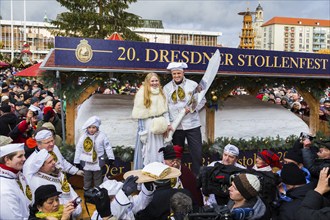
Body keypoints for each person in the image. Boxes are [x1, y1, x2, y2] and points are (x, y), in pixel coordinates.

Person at [164, 62, 206, 176]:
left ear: (183, 73)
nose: (176, 75)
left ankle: (197, 178)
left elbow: (202, 100)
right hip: (176, 126)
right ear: (171, 74)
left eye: (178, 73)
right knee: (177, 155)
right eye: (174, 74)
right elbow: (165, 108)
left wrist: (192, 108)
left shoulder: (193, 85)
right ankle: (178, 176)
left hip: (193, 125)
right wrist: (168, 124)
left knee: (197, 153)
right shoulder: (167, 88)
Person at [26, 149, 82, 218]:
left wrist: (76, 205)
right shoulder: (37, 182)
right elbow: (50, 205)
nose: (54, 162)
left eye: (53, 160)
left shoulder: (58, 173)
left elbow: (69, 189)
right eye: (50, 162)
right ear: (41, 167)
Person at [132, 72, 169, 169]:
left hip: (160, 125)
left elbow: (165, 111)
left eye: (156, 80)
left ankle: (160, 170)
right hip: (148, 125)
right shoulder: (142, 93)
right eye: (152, 81)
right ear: (148, 82)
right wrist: (142, 132)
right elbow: (140, 114)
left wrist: (167, 125)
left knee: (160, 149)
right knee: (148, 149)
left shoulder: (162, 92)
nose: (154, 83)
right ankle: (149, 170)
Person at [74, 115, 115, 190]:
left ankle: (97, 191)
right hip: (86, 161)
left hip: (98, 161)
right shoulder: (83, 137)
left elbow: (108, 147)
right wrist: (76, 161)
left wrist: (111, 157)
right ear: (87, 128)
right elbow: (79, 148)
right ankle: (87, 191)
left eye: (93, 127)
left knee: (98, 177)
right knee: (87, 177)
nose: (91, 130)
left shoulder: (102, 136)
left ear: (97, 127)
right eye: (89, 127)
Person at [91, 175, 155, 220]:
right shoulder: (98, 215)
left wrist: (147, 188)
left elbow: (140, 204)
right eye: (113, 197)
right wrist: (124, 193)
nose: (116, 197)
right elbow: (112, 212)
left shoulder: (124, 202)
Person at [0, 143, 31, 219]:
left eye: (24, 155)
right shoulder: (4, 189)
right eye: (20, 156)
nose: (24, 159)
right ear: (7, 160)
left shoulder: (18, 174)